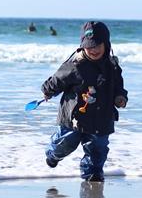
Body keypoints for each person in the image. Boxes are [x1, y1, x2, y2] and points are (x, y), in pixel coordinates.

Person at [39, 21, 128, 182]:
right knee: (65, 144)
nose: (93, 50)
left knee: (98, 149)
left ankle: (93, 176)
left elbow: (118, 86)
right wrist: (48, 91)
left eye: (97, 45)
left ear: (106, 44)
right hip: (74, 118)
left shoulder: (112, 66)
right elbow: (57, 80)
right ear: (82, 46)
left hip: (102, 118)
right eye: (89, 46)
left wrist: (120, 97)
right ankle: (53, 154)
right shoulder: (75, 65)